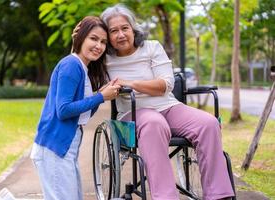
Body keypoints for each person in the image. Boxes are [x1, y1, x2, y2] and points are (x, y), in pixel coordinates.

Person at [101, 4, 234, 200]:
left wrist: (130, 83)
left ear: (133, 28)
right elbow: (89, 75)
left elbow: (166, 84)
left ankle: (218, 195)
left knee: (209, 123)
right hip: (134, 113)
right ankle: (165, 197)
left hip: (168, 106)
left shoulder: (152, 47)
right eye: (114, 31)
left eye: (125, 28)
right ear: (108, 35)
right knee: (155, 123)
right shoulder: (104, 59)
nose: (121, 34)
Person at [30, 16, 120, 200]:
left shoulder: (82, 68)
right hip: (55, 147)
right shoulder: (71, 65)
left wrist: (99, 96)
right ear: (81, 38)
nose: (99, 46)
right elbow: (63, 110)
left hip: (64, 147)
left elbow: (81, 114)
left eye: (103, 42)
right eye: (93, 39)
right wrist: (100, 96)